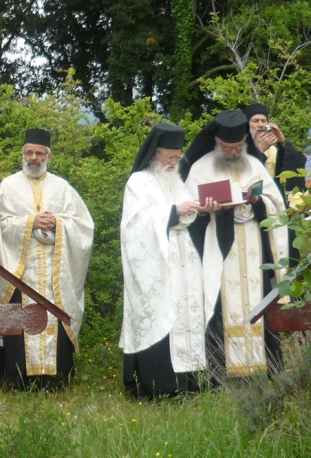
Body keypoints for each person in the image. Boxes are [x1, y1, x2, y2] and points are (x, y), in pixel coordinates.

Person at [182, 110, 289, 384]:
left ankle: (264, 369)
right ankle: (222, 374)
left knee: (259, 300)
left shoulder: (254, 164)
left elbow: (277, 204)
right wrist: (207, 211)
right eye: (227, 147)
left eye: (238, 147)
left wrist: (258, 201)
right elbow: (189, 212)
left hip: (253, 241)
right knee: (220, 302)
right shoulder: (200, 168)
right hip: (218, 245)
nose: (232, 152)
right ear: (217, 142)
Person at [120, 123, 220, 397]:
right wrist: (173, 212)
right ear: (154, 154)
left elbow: (188, 213)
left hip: (185, 262)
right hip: (155, 265)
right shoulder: (138, 182)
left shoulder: (176, 180)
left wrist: (201, 211)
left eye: (177, 157)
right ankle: (160, 385)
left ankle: (189, 382)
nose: (174, 163)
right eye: (169, 157)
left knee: (188, 316)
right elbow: (134, 225)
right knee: (160, 315)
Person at [0, 128, 94, 390]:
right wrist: (30, 222)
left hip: (54, 273)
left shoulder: (62, 188)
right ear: (22, 154)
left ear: (48, 156)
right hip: (20, 272)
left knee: (55, 315)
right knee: (19, 317)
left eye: (39, 153)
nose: (34, 157)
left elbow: (84, 227)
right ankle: (16, 380)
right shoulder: (8, 185)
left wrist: (58, 223)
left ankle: (55, 380)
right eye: (29, 152)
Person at [242, 103, 306, 195]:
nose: (260, 124)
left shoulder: (272, 149)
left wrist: (283, 143)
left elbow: (295, 165)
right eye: (255, 121)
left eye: (263, 121)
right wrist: (259, 151)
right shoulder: (238, 147)